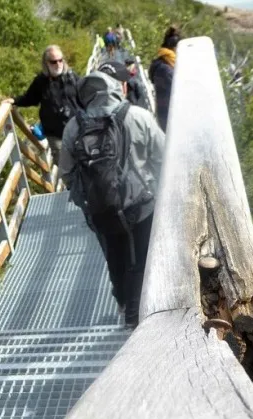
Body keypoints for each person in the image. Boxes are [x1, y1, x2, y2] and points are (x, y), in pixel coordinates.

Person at [60, 71, 165, 328]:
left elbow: (66, 172)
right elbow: (163, 158)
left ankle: (123, 302)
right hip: (141, 205)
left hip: (100, 208)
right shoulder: (139, 116)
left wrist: (87, 201)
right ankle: (136, 316)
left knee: (115, 257)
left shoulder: (73, 127)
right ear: (117, 88)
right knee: (140, 259)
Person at [6, 45, 79, 166]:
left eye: (60, 60)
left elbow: (86, 96)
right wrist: (14, 100)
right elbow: (29, 98)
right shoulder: (40, 82)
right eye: (53, 62)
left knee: (82, 164)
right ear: (46, 63)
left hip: (76, 130)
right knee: (65, 167)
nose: (58, 64)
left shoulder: (72, 77)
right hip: (56, 134)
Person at [149, 26, 180, 132]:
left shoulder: (164, 63)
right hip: (170, 119)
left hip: (166, 116)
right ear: (175, 48)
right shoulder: (165, 69)